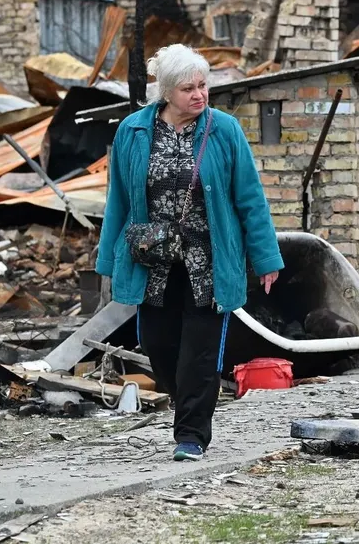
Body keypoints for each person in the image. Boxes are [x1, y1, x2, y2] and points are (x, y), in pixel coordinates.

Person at [96, 44, 283, 461]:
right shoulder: (132, 131)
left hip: (209, 262)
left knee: (200, 351)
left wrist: (266, 257)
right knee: (158, 346)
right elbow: (119, 201)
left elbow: (250, 198)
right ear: (165, 91)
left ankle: (192, 435)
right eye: (188, 88)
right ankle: (189, 401)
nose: (199, 95)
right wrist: (107, 262)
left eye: (203, 86)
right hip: (155, 262)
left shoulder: (225, 130)